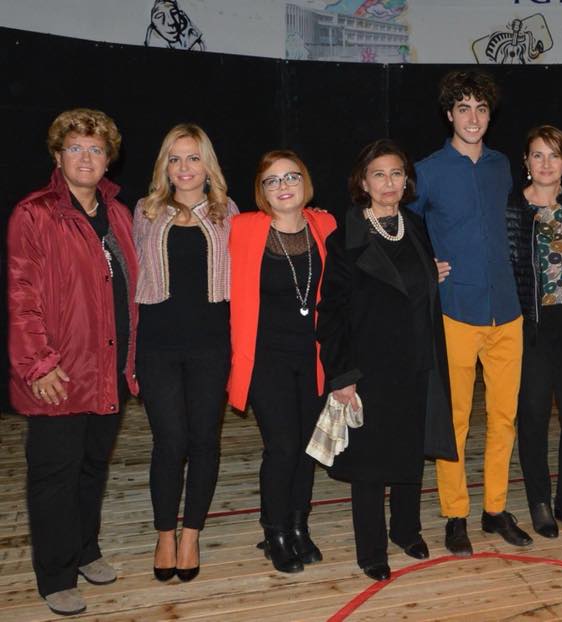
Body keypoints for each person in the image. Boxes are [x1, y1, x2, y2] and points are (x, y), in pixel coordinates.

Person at [7, 108, 138, 616]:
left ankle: (85, 550)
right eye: (76, 148)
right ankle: (56, 575)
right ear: (58, 156)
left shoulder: (120, 214)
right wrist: (38, 364)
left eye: (96, 149)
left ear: (109, 159)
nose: (86, 157)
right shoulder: (34, 213)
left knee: (91, 467)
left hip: (109, 367)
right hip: (58, 372)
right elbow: (21, 296)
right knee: (54, 475)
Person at [317, 139, 456, 581]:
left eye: (396, 173)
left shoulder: (414, 225)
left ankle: (406, 530)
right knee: (371, 463)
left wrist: (430, 278)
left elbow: (412, 283)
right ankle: (372, 549)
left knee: (410, 450)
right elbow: (331, 313)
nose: (389, 182)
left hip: (416, 360)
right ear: (363, 182)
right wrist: (342, 374)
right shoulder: (347, 237)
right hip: (369, 368)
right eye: (379, 174)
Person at [408, 70, 532, 554]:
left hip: (507, 311)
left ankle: (495, 509)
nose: (473, 118)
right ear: (449, 115)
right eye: (464, 109)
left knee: (504, 418)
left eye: (481, 108)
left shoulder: (502, 166)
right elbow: (401, 224)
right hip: (456, 311)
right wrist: (425, 264)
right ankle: (455, 514)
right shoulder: (428, 171)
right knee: (455, 420)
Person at [133, 123, 237, 582]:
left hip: (212, 344)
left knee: (204, 441)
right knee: (170, 441)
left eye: (193, 157)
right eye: (174, 158)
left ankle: (191, 533)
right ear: (165, 166)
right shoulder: (145, 210)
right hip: (157, 345)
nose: (184, 167)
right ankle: (164, 534)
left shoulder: (228, 212)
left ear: (207, 164)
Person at [227, 150, 337, 573]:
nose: (283, 186)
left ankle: (298, 526)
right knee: (283, 446)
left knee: (307, 447)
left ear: (305, 182)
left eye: (291, 176)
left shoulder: (325, 225)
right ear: (262, 190)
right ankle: (274, 531)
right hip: (265, 358)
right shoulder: (242, 228)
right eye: (272, 180)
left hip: (313, 357)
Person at [505, 125, 562, 538]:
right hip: (532, 331)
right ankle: (539, 502)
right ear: (526, 162)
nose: (546, 163)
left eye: (554, 155)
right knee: (533, 416)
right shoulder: (512, 208)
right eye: (537, 155)